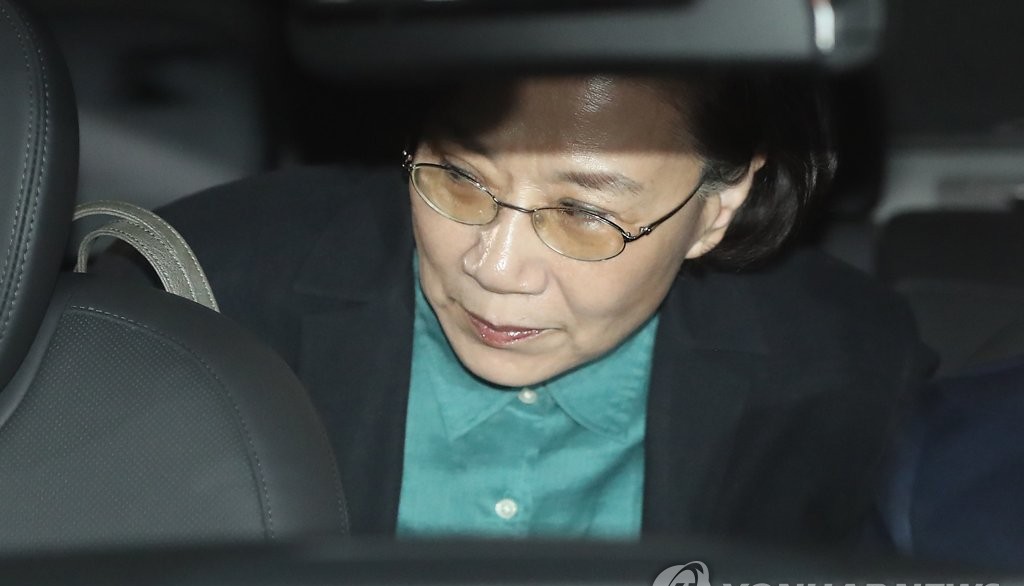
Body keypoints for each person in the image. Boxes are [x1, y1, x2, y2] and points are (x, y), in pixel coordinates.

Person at [99, 74, 933, 545]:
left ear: (719, 206)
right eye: (461, 179)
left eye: (584, 214)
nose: (494, 269)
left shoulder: (845, 366)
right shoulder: (197, 291)